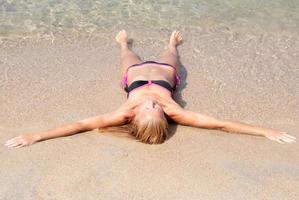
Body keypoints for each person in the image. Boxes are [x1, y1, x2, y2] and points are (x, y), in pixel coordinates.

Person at [4, 30, 296, 148]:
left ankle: (122, 43)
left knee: (125, 54)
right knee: (173, 55)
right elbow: (220, 124)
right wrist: (263, 131)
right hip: (167, 74)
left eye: (150, 108)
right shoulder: (174, 110)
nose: (155, 104)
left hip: (133, 76)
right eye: (157, 109)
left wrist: (37, 135)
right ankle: (171, 44)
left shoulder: (124, 111)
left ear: (133, 117)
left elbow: (80, 125)